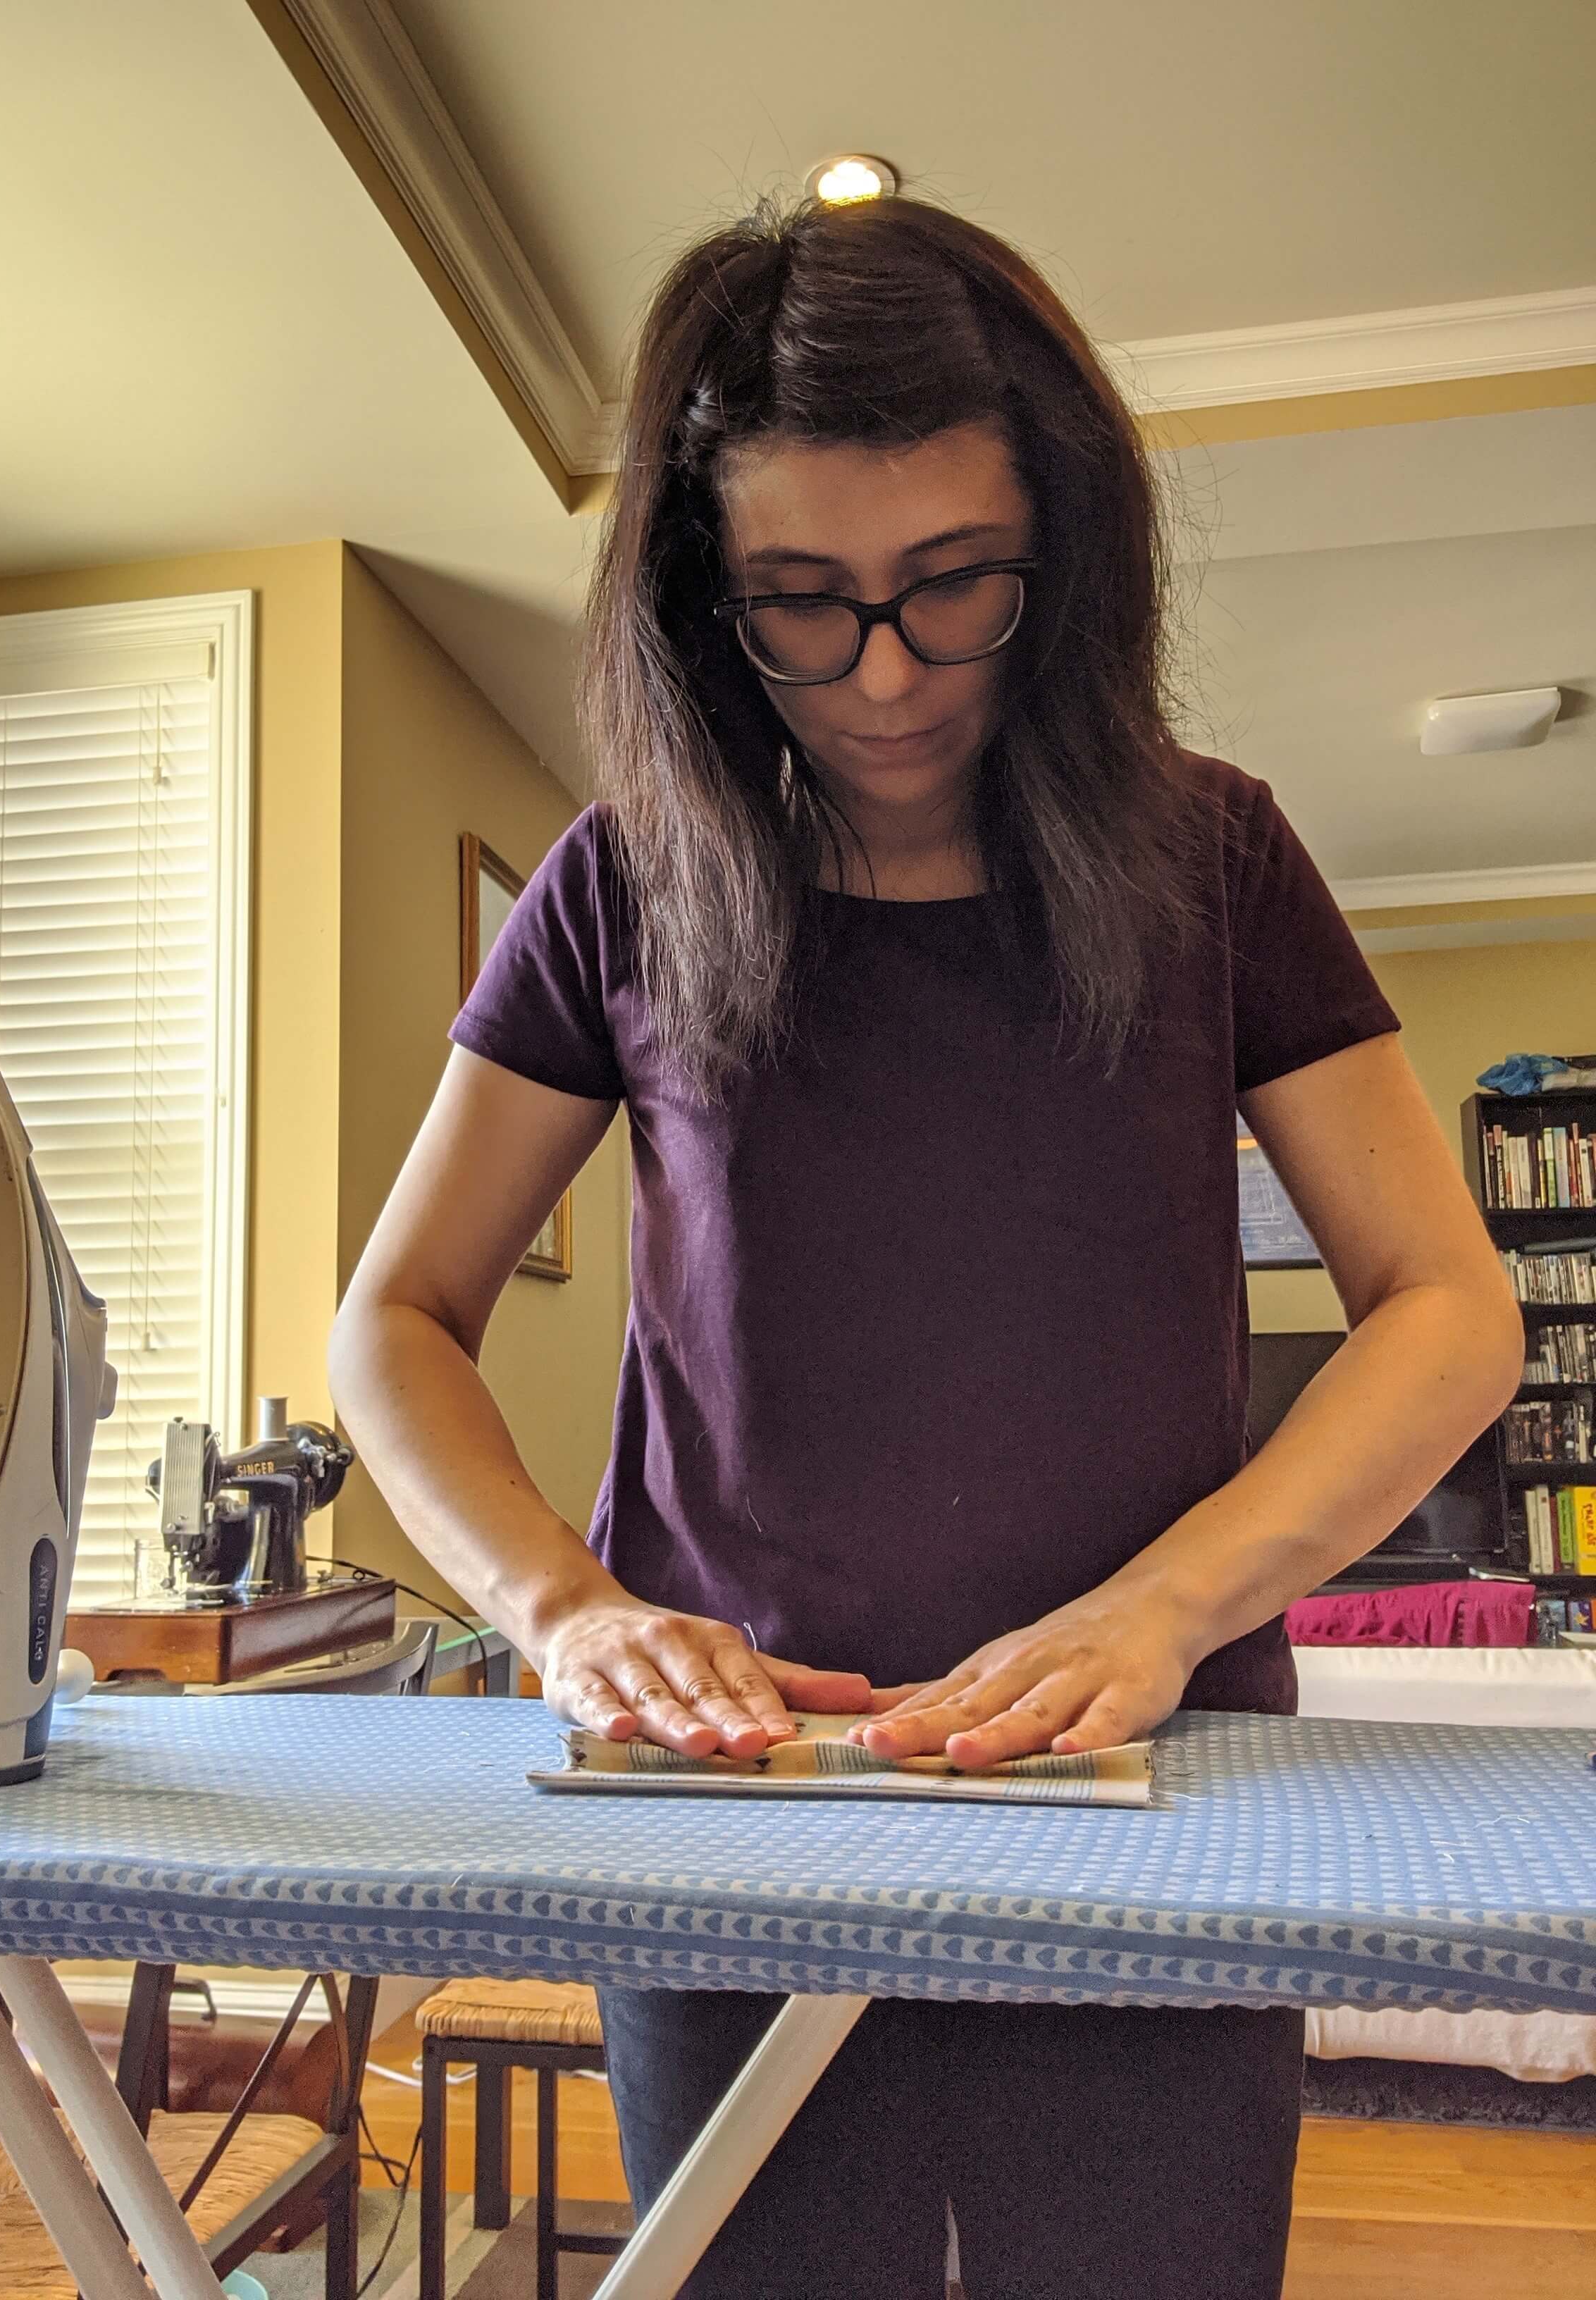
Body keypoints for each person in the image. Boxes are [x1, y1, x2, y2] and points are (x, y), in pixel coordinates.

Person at [328, 194, 1523, 2300]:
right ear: (705, 599)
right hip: (736, 1800)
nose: (881, 677)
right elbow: (398, 1321)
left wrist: (1166, 1608)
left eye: (951, 588)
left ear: (1058, 556)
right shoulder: (619, 887)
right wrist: (563, 1611)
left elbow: (1449, 1310)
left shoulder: (1214, 853)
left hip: (1163, 1787)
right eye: (800, 604)